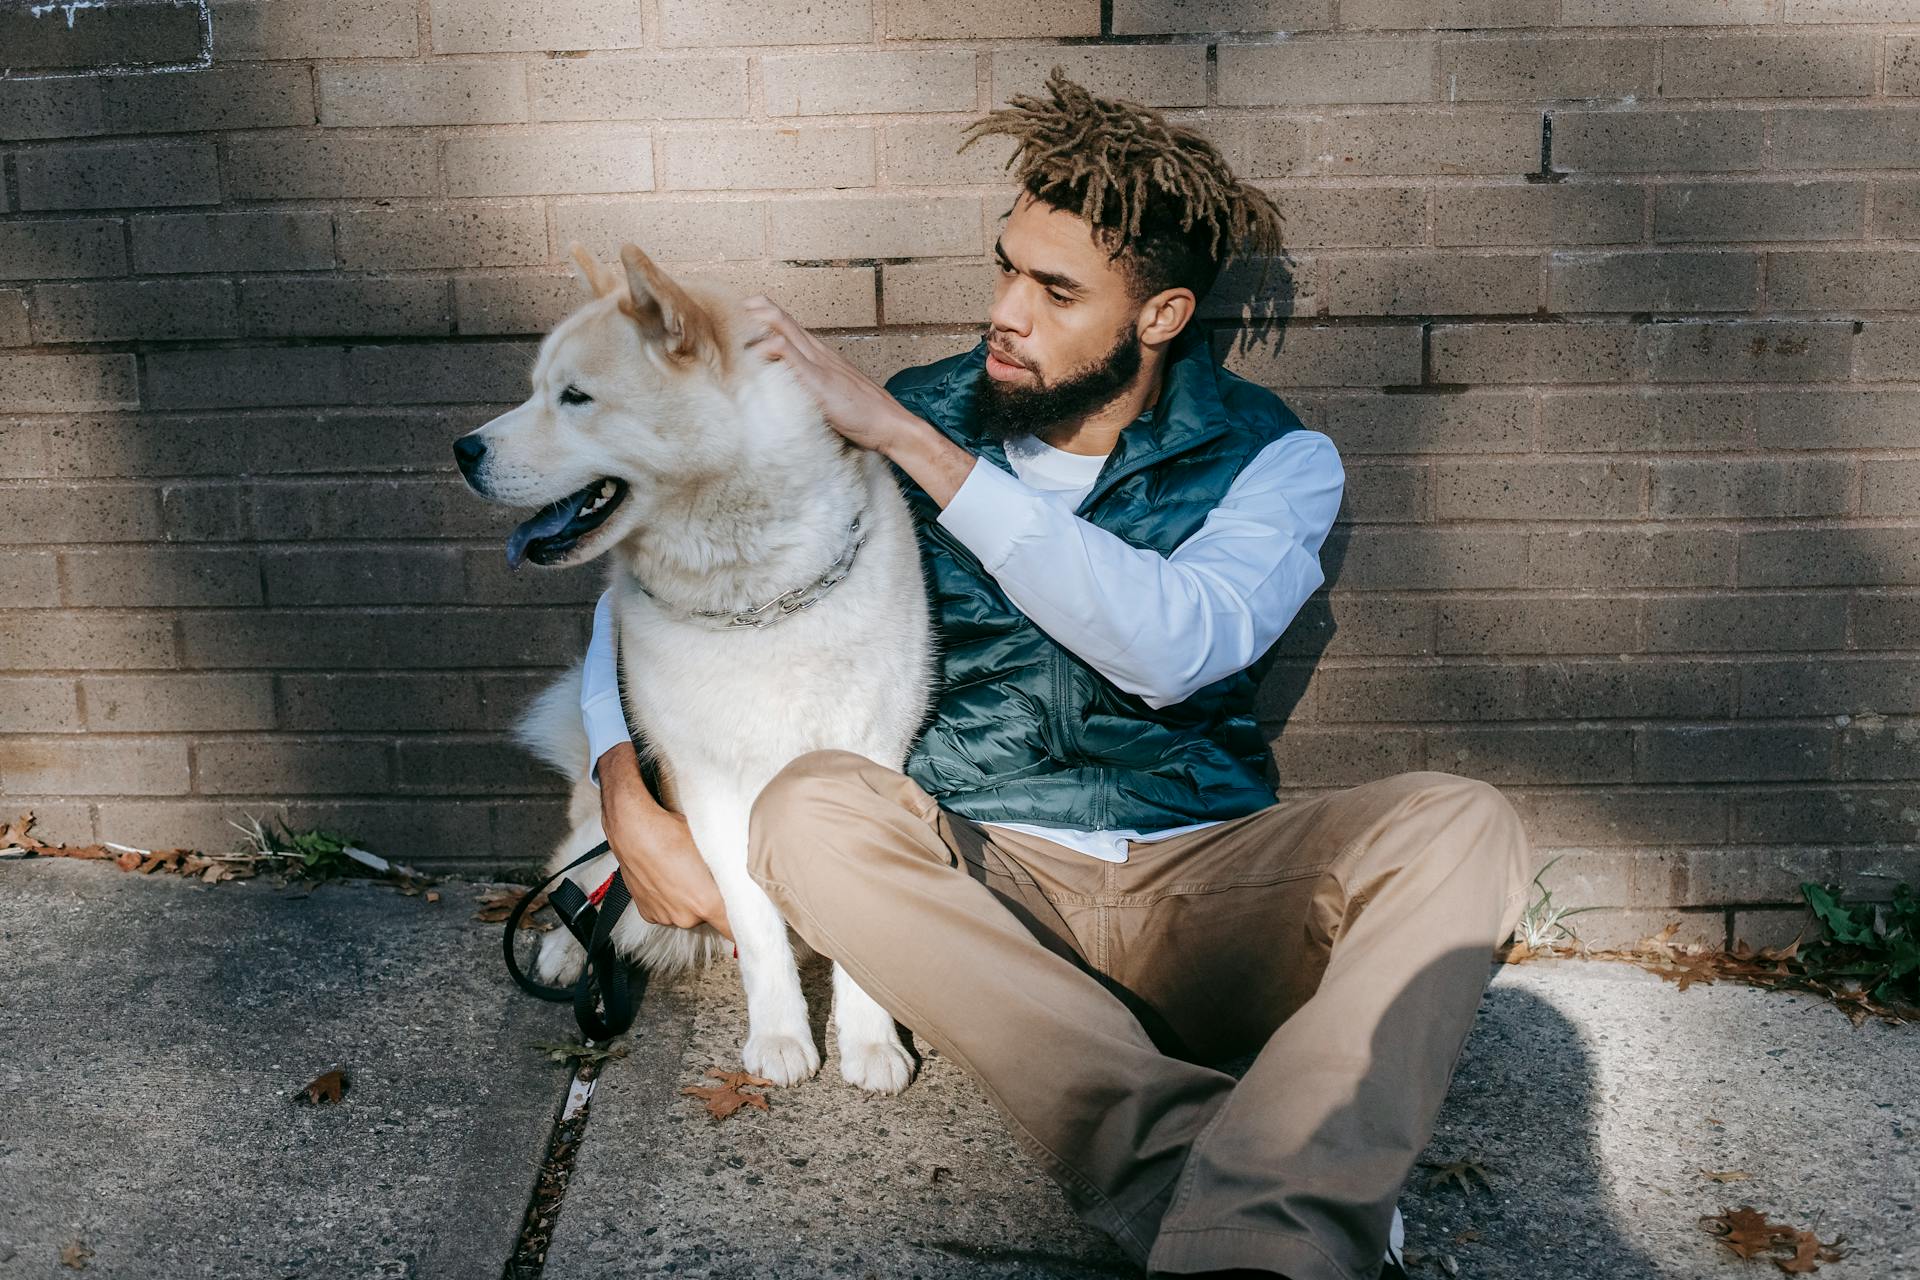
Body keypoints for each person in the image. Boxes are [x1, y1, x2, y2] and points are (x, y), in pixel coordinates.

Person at [576, 68, 1532, 1280]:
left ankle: (1218, 1189)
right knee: (807, 806)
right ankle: (1261, 1215)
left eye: (1055, 288)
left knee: (1462, 822)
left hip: (1202, 880)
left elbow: (1176, 641)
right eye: (1005, 268)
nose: (1006, 313)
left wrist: (910, 448)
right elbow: (672, 569)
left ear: (1162, 315)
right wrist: (624, 782)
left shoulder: (1277, 459)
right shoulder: (907, 412)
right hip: (976, 888)